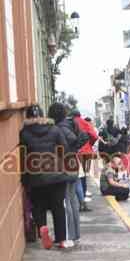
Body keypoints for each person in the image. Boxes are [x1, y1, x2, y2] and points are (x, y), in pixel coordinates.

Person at [20, 105, 74, 249]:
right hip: (57, 176)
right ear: (43, 116)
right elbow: (65, 150)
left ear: (27, 117)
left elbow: (23, 158)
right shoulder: (54, 129)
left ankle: (43, 228)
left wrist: (25, 180)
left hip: (36, 178)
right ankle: (61, 240)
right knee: (58, 208)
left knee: (38, 206)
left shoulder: (24, 133)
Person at [49, 103, 87, 246]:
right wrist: (74, 149)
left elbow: (72, 141)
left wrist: (69, 150)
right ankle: (75, 234)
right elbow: (83, 138)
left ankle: (68, 236)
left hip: (65, 166)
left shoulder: (61, 127)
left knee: (66, 202)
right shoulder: (70, 124)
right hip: (73, 164)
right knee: (72, 200)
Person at [71, 109, 98, 208]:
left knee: (78, 175)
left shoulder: (71, 123)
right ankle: (83, 195)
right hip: (86, 152)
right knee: (84, 174)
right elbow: (94, 136)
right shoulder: (85, 123)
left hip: (76, 151)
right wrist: (90, 144)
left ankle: (79, 197)